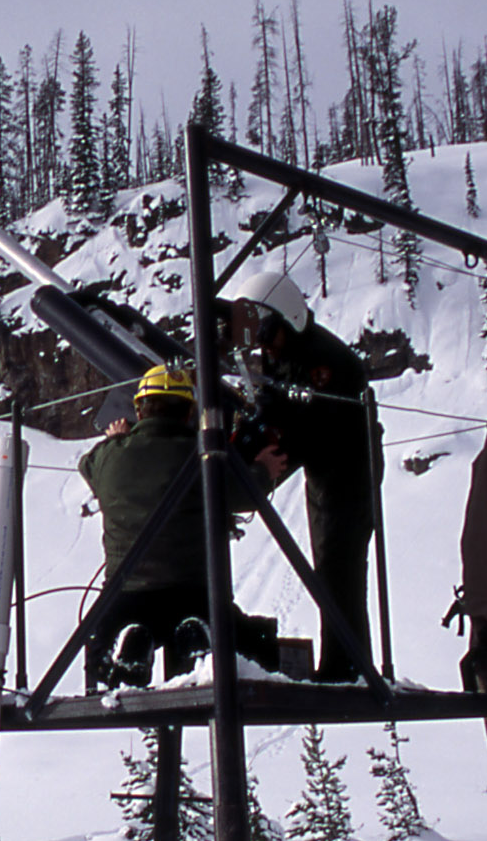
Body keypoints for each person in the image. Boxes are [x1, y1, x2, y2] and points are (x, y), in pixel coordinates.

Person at [222, 269, 382, 682]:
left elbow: (313, 425)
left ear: (287, 318)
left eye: (268, 332)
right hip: (326, 466)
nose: (264, 345)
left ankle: (345, 667)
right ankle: (343, 664)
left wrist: (270, 461)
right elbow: (281, 410)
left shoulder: (324, 363)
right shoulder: (290, 354)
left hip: (348, 467)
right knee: (330, 566)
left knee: (339, 566)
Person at [78, 365, 279, 686]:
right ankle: (196, 638)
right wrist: (263, 470)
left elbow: (87, 465)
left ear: (139, 409)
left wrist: (116, 441)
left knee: (117, 626)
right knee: (252, 639)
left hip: (125, 597)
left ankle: (135, 639)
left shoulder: (108, 457)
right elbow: (244, 494)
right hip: (194, 593)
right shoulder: (205, 456)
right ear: (189, 411)